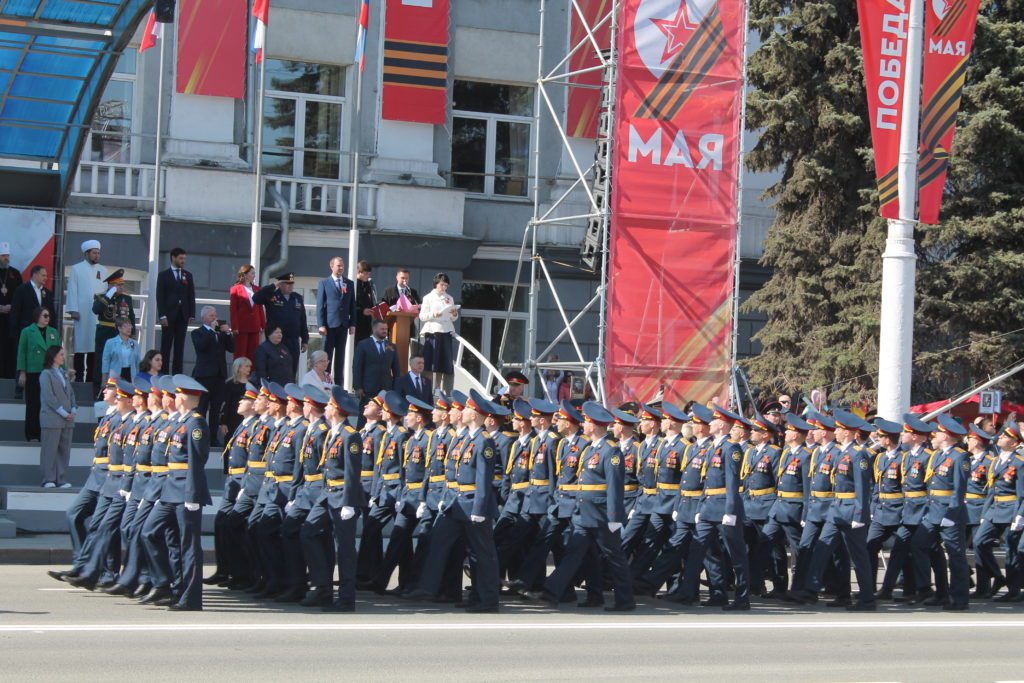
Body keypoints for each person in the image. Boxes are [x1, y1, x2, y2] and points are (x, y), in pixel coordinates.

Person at [537, 401, 636, 611]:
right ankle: (554, 591)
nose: (583, 425)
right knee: (575, 553)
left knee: (614, 557)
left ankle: (625, 599)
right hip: (583, 512)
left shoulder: (611, 451)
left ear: (595, 426)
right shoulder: (591, 448)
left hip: (601, 515)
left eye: (587, 422)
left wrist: (614, 518)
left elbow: (614, 487)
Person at [141, 374, 212, 611]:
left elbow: (195, 461)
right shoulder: (182, 422)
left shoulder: (196, 424)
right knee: (150, 532)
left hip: (184, 492)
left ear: (185, 398)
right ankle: (169, 584)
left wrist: (192, 496)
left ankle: (190, 598)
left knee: (188, 546)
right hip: (170, 490)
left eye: (179, 394)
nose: (175, 397)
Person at [64, 239, 107, 386]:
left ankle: (90, 379)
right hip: (82, 315)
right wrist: (73, 309)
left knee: (94, 348)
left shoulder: (103, 270)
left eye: (98, 253)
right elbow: (72, 291)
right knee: (81, 347)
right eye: (94, 253)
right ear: (87, 253)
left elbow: (105, 292)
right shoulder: (77, 269)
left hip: (97, 316)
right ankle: (78, 378)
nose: (97, 255)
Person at [191, 305, 234, 446]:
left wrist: (227, 333)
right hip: (204, 375)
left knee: (216, 408)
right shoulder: (198, 332)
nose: (214, 318)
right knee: (202, 407)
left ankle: (213, 438)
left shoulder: (220, 334)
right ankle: (200, 436)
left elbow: (232, 348)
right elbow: (202, 346)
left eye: (215, 315)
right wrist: (212, 332)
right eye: (211, 316)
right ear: (204, 318)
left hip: (219, 375)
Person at [17, 306, 60, 442]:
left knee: (47, 404)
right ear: (37, 317)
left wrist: (62, 370)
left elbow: (59, 351)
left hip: (50, 372)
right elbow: (22, 353)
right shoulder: (27, 331)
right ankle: (32, 434)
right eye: (45, 316)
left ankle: (44, 433)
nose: (48, 318)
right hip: (33, 372)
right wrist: (22, 372)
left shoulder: (53, 332)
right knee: (33, 404)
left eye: (48, 316)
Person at [253, 272, 308, 378]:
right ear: (280, 284)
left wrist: (305, 339)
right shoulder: (272, 295)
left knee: (291, 369)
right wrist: (273, 285)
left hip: (293, 339)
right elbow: (256, 298)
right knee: (276, 369)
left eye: (292, 284)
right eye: (287, 283)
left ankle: (290, 392)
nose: (291, 286)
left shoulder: (297, 298)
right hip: (276, 340)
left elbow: (302, 319)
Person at [91, 269, 135, 396]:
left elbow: (131, 317)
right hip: (105, 333)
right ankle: (99, 388)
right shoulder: (101, 297)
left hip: (120, 335)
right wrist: (109, 295)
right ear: (110, 286)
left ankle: (119, 388)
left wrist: (132, 336)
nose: (121, 287)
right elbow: (96, 309)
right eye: (118, 285)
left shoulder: (126, 298)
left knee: (121, 361)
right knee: (101, 361)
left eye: (122, 284)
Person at [39, 345, 76, 488]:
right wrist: (63, 412)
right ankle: (48, 478)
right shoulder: (45, 374)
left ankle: (61, 478)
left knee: (63, 449)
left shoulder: (63, 373)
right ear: (53, 357)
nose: (63, 357)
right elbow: (49, 397)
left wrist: (73, 409)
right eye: (61, 354)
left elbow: (71, 393)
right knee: (50, 449)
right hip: (52, 418)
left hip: (66, 419)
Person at [316, 256, 356, 385]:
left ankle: (339, 386)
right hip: (329, 326)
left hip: (343, 325)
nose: (341, 268)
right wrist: (321, 325)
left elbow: (352, 305)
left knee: (341, 358)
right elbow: (320, 305)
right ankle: (324, 383)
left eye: (342, 265)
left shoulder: (349, 283)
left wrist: (352, 324)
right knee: (326, 357)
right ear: (332, 266)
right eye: (338, 265)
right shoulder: (324, 283)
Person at [156, 247, 196, 375]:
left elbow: (191, 295)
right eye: (181, 258)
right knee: (166, 346)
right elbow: (160, 296)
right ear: (173, 258)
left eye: (184, 258)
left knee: (180, 346)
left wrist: (192, 314)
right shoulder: (163, 275)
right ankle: (163, 373)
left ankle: (177, 374)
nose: (183, 261)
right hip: (168, 315)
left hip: (182, 315)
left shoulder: (187, 275)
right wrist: (162, 315)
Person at [417, 272, 458, 390]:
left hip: (446, 332)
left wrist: (454, 314)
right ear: (436, 284)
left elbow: (453, 318)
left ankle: (438, 389)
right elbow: (422, 316)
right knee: (430, 362)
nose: (443, 287)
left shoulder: (449, 298)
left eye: (446, 285)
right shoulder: (428, 298)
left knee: (443, 363)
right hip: (433, 332)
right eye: (441, 284)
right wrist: (433, 314)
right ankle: (428, 389)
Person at [352, 319, 400, 405]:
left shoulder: (391, 346)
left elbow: (396, 369)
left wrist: (396, 388)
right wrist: (358, 387)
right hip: (368, 389)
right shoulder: (363, 345)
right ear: (374, 329)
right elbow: (357, 367)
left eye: (386, 329)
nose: (385, 331)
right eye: (382, 329)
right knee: (365, 415)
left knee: (383, 417)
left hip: (386, 389)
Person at [229, 264, 265, 364]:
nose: (254, 275)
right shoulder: (235, 289)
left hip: (255, 326)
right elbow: (233, 309)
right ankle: (238, 377)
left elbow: (260, 308)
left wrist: (263, 324)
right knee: (240, 354)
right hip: (241, 327)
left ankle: (251, 378)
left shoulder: (257, 289)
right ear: (245, 274)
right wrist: (235, 327)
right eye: (252, 273)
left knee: (253, 355)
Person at [0, 241, 23, 380]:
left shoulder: (15, 273)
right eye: (3, 255)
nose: (6, 258)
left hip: (10, 319)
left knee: (9, 348)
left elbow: (20, 295)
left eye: (7, 255)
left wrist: (12, 306)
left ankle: (9, 376)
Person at [10, 264, 54, 335]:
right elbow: (15, 312)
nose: (46, 278)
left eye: (46, 275)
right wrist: (15, 333)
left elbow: (51, 313)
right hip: (26, 331)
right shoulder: (21, 290)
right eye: (43, 275)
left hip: (43, 332)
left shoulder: (48, 293)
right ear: (35, 275)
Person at [220, 357, 253, 445]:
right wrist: (223, 422)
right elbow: (225, 404)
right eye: (246, 366)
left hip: (247, 418)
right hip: (232, 419)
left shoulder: (252, 384)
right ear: (238, 368)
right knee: (230, 443)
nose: (249, 369)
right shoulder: (230, 384)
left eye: (249, 366)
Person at [100, 318, 139, 383]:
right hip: (115, 374)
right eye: (125, 326)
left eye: (130, 326)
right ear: (119, 328)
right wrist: (104, 380)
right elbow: (105, 362)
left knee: (130, 392)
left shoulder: (134, 343)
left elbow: (137, 362)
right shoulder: (110, 342)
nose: (129, 328)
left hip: (131, 374)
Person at [354, 260, 377, 342]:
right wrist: (362, 311)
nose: (368, 276)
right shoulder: (353, 285)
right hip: (357, 322)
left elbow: (370, 301)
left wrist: (373, 309)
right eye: (366, 274)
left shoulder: (368, 285)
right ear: (359, 272)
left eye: (369, 274)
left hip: (367, 323)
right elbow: (352, 304)